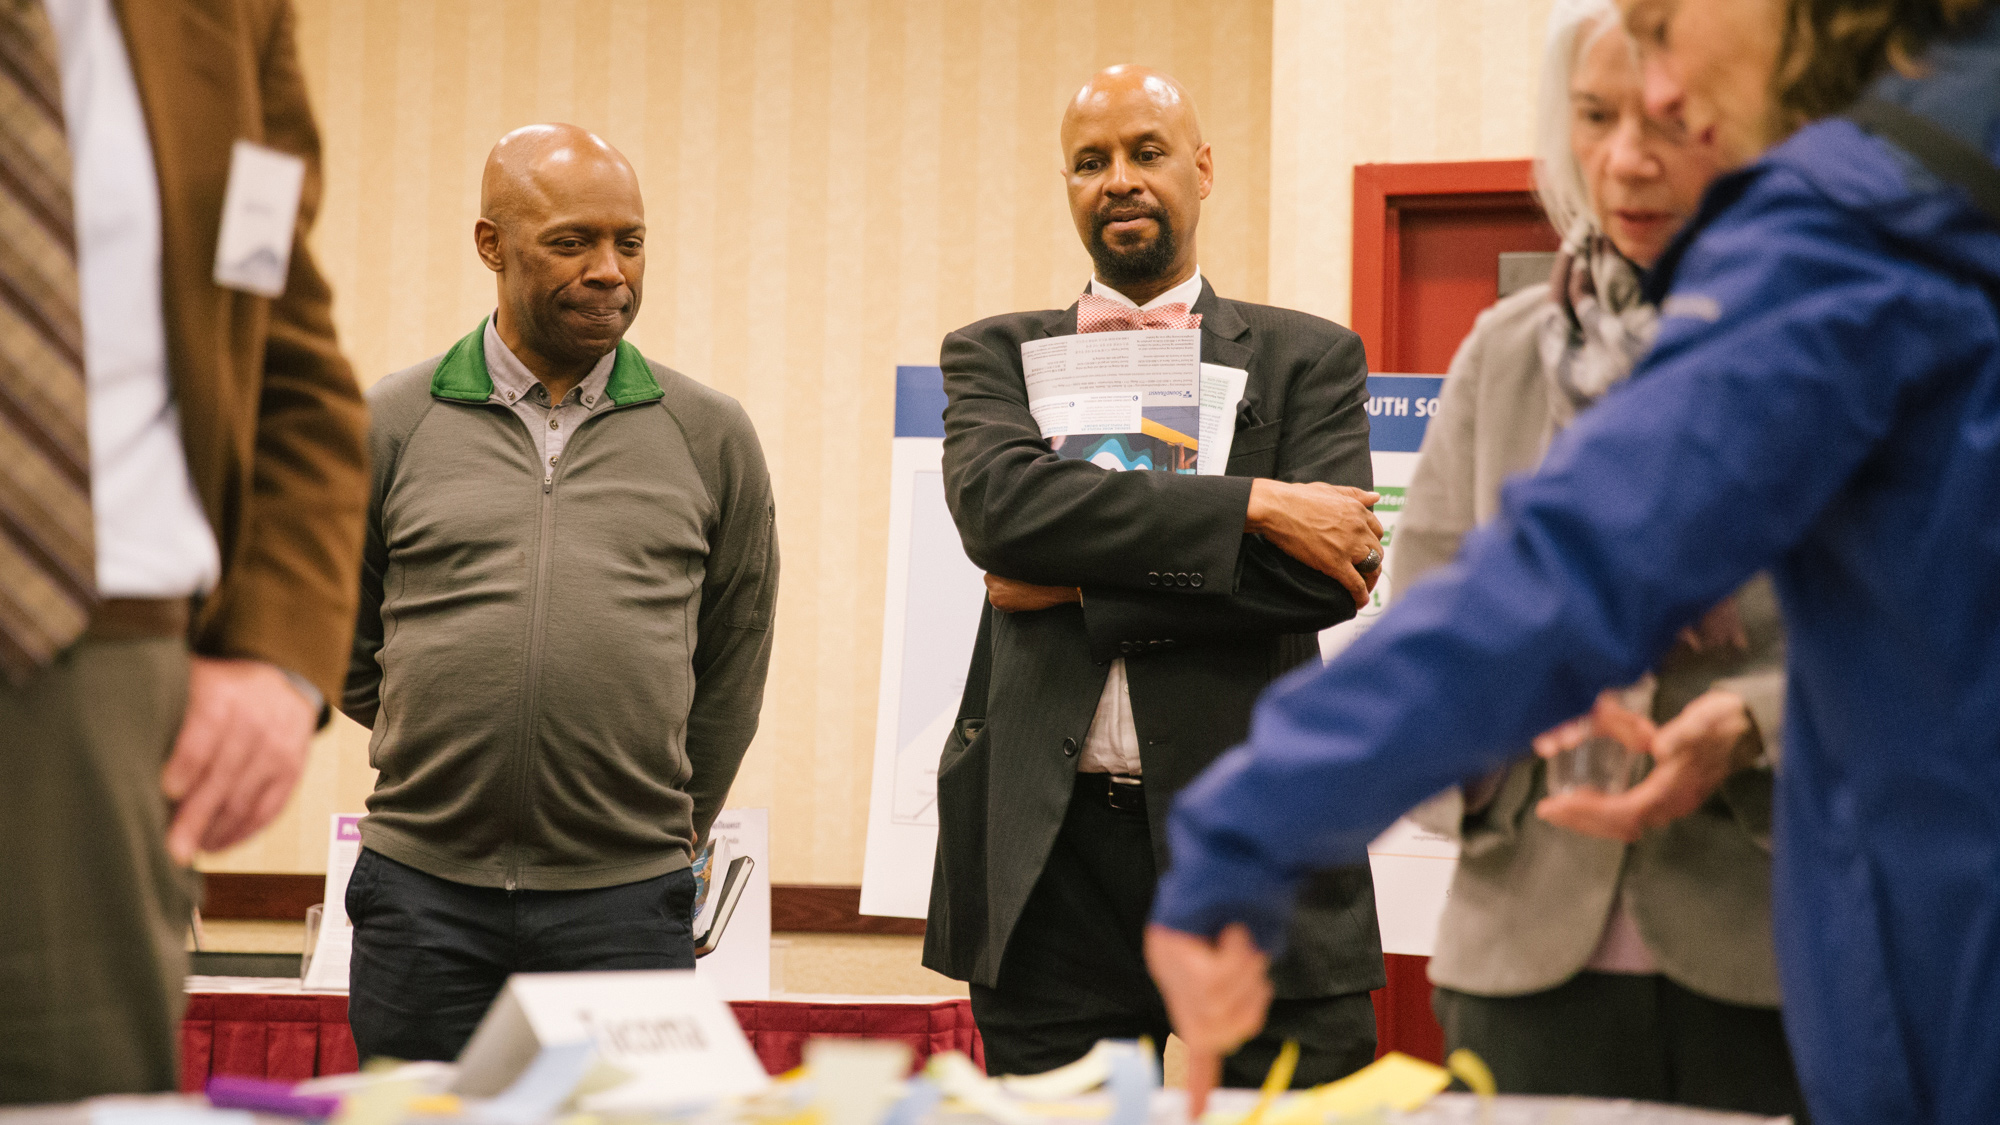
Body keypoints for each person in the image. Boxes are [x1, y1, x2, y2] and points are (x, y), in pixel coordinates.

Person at [1144, 0, 2000, 1121]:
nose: (1655, 95)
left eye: (1659, 23)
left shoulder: (1859, 221)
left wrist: (1239, 833)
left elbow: (1564, 573)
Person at [923, 65, 1387, 1089]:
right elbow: (1001, 514)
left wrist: (1081, 584)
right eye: (1090, 162)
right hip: (1051, 865)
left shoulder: (1306, 359)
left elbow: (1329, 577)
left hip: (1259, 847)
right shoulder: (993, 355)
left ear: (1202, 168)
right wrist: (1253, 506)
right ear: (1067, 185)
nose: (1118, 179)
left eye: (1145, 152)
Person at [1390, 2, 1804, 1115]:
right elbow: (1419, 633)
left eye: (1676, 120)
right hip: (1520, 951)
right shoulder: (1504, 351)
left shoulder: (1844, 344)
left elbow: (1935, 653)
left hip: (1772, 949)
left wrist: (1748, 723)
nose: (1627, 159)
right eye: (1592, 115)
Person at [341, 124, 778, 1062]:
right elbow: (337, 627)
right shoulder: (394, 421)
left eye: (630, 241)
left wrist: (655, 812)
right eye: (573, 242)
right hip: (423, 890)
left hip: (625, 902)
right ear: (492, 247)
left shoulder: (710, 434)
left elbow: (734, 656)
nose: (611, 270)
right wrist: (437, 722)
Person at [0, 0, 368, 1102]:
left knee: (75, 1089)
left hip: (95, 678)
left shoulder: (226, 17)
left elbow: (287, 365)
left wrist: (276, 656)